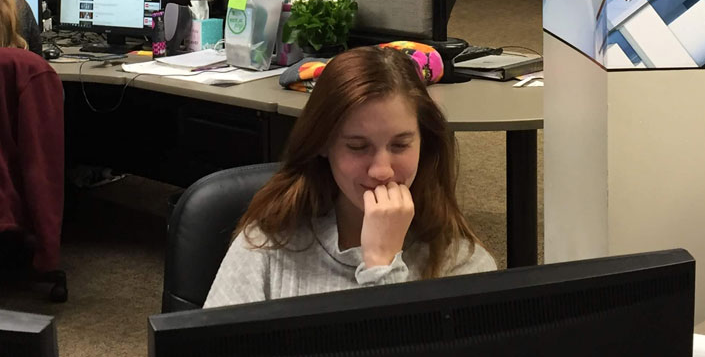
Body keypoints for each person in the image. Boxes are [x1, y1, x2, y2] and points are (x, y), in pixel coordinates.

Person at [204, 47, 495, 307]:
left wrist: (382, 267)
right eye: (358, 147)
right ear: (322, 143)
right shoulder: (269, 245)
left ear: (424, 144)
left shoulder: (461, 263)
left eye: (400, 145)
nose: (382, 170)